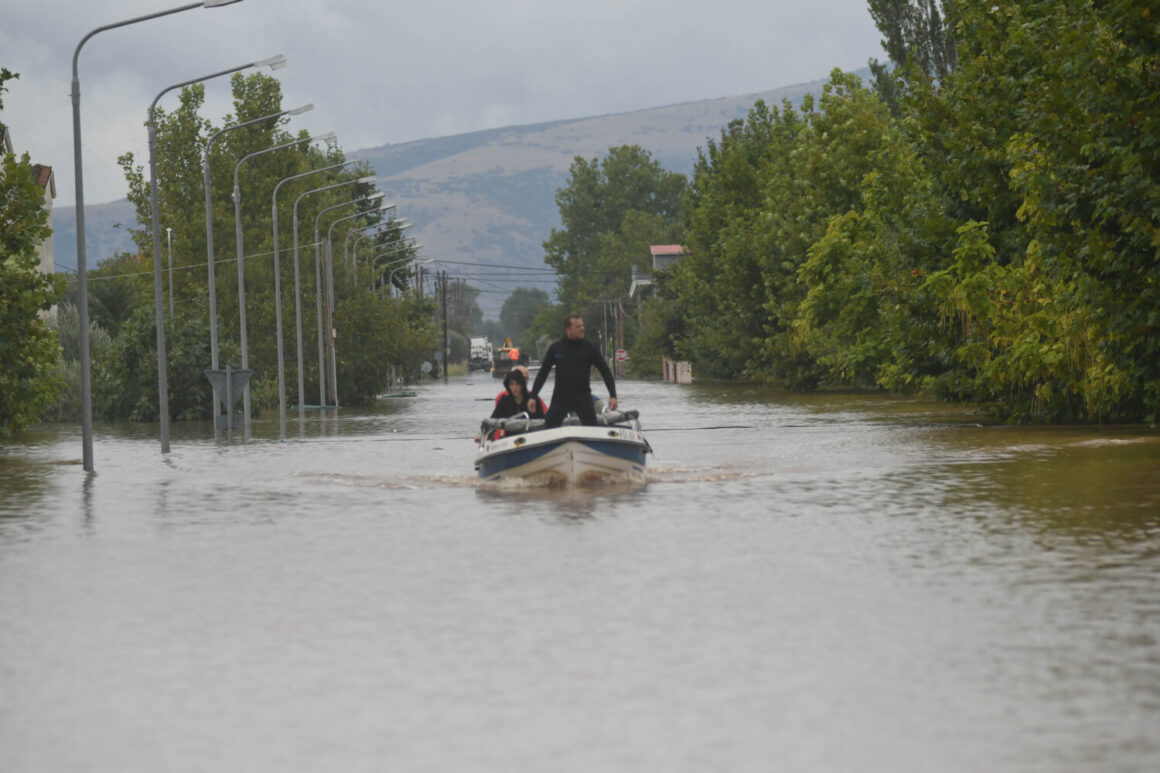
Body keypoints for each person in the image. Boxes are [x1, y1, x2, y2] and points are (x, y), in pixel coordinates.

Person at [530, 313, 617, 428]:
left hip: (583, 399)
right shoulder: (556, 349)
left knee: (593, 431)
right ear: (568, 330)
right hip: (560, 399)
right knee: (548, 430)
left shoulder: (589, 349)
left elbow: (606, 372)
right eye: (578, 326)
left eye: (582, 325)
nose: (582, 329)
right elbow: (543, 374)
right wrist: (533, 396)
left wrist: (613, 395)